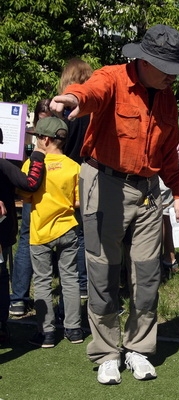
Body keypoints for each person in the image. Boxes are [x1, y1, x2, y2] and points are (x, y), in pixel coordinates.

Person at [49, 24, 179, 384]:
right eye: (169, 70)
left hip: (148, 189)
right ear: (146, 61)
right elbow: (90, 93)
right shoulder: (112, 79)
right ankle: (106, 353)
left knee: (147, 275)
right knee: (101, 275)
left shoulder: (166, 95)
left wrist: (177, 192)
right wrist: (72, 99)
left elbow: (169, 151)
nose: (173, 78)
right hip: (103, 184)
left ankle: (139, 349)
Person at [17, 117, 82, 348]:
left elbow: (25, 196)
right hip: (67, 228)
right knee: (70, 278)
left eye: (36, 137)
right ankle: (74, 329)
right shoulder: (74, 166)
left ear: (45, 139)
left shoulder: (31, 165)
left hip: (40, 230)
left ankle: (46, 333)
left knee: (43, 281)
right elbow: (77, 203)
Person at [0, 127, 46, 343]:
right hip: (2, 232)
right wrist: (37, 155)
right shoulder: (4, 165)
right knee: (1, 276)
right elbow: (31, 183)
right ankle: (1, 325)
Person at [9, 99, 52, 317]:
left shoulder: (33, 136)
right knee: (28, 240)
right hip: (38, 194)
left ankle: (18, 299)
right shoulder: (46, 138)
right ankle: (19, 298)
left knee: (29, 240)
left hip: (39, 193)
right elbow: (29, 182)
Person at [59, 57, 94, 299]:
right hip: (88, 174)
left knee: (68, 232)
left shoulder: (64, 113)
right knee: (84, 233)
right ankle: (82, 282)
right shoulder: (93, 112)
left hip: (63, 175)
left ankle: (74, 282)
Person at [160, 143, 179, 280]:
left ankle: (169, 260)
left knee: (165, 213)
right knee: (165, 212)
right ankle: (168, 259)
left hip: (170, 163)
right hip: (174, 160)